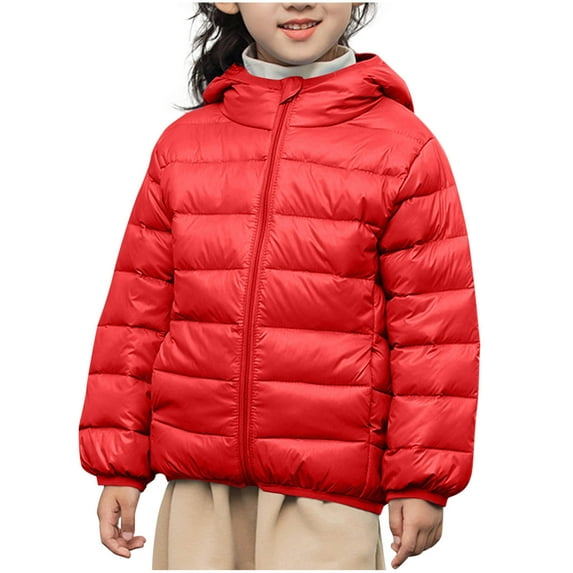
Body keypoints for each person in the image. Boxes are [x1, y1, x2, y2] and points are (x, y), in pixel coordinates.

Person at [78, 2, 480, 570]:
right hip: (199, 486)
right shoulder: (183, 147)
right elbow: (136, 313)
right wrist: (118, 464)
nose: (299, 0)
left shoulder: (403, 148)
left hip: (329, 491)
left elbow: (435, 332)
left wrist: (423, 478)